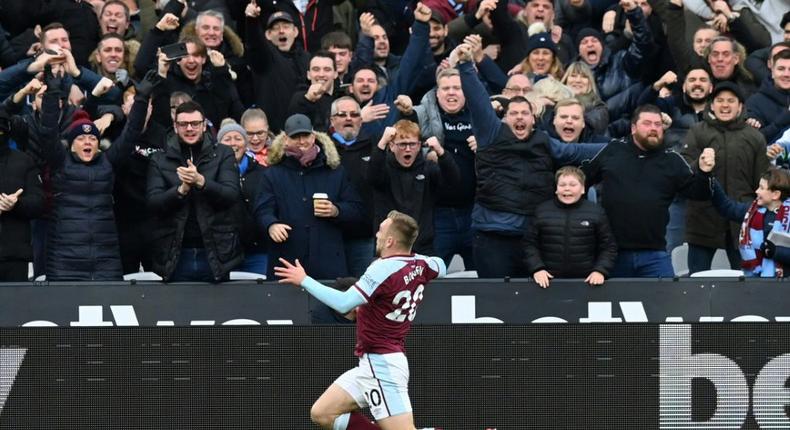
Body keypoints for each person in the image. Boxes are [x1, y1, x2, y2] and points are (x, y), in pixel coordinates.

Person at [274, 210, 447, 430]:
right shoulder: (422, 264)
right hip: (372, 363)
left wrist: (305, 280)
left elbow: (344, 304)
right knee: (323, 413)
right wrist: (414, 259)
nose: (376, 234)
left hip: (382, 365)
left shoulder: (381, 268)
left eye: (381, 230)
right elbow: (441, 266)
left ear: (391, 240)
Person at [40, 68, 156, 281]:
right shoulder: (60, 162)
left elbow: (130, 133)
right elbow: (47, 132)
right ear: (71, 145)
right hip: (65, 259)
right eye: (82, 139)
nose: (87, 142)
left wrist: (142, 98)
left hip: (105, 258)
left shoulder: (107, 162)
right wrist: (51, 94)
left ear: (98, 145)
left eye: (92, 139)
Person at [582, 104, 716, 277]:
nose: (653, 128)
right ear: (633, 128)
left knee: (666, 302)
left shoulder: (672, 160)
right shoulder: (613, 151)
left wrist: (705, 172)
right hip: (612, 253)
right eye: (647, 123)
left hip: (655, 255)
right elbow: (582, 180)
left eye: (658, 124)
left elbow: (699, 194)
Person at [254, 113, 365, 280]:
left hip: (328, 262)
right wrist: (271, 225)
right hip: (287, 261)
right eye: (295, 136)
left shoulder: (335, 170)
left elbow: (357, 209)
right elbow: (262, 210)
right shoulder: (272, 174)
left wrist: (336, 210)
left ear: (313, 136)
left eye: (305, 135)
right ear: (285, 139)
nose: (301, 141)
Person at [147, 100, 243, 282]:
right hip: (174, 252)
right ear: (175, 127)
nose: (189, 128)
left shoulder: (223, 153)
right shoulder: (159, 159)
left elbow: (231, 194)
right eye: (183, 124)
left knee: (218, 310)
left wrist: (201, 182)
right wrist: (180, 190)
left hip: (217, 251)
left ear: (204, 125)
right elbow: (153, 202)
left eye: (195, 124)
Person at [681, 81, 768, 274]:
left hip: (742, 221)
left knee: (747, 280)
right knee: (696, 279)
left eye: (731, 100)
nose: (725, 105)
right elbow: (684, 170)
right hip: (702, 218)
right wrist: (700, 165)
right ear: (711, 105)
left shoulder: (755, 137)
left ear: (740, 106)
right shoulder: (697, 131)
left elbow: (762, 181)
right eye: (720, 100)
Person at [370, 121, 461, 256]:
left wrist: (441, 153)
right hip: (390, 247)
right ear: (392, 146)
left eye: (412, 144)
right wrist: (382, 142)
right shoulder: (383, 167)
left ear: (419, 146)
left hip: (423, 246)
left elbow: (453, 182)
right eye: (402, 144)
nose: (408, 149)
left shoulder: (428, 168)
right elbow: (372, 176)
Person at [524, 166, 617, 288]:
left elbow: (608, 246)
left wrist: (600, 271)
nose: (567, 188)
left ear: (583, 188)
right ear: (556, 189)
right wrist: (537, 269)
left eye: (573, 185)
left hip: (587, 282)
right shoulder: (541, 211)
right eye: (562, 185)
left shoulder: (596, 212)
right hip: (548, 282)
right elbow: (529, 244)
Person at [710, 168, 790, 277]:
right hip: (754, 282)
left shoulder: (788, 217)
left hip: (783, 285)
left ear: (775, 194)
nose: (757, 191)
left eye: (762, 188)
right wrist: (710, 179)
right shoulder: (751, 211)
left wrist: (776, 251)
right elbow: (727, 208)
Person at [217, 120, 268, 275]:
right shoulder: (211, 173)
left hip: (257, 250)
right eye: (227, 139)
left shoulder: (264, 173)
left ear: (245, 144)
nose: (233, 143)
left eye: (238, 138)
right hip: (224, 252)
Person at [0, 107, 45, 281]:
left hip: (15, 256)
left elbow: (39, 203)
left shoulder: (23, 161)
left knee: (14, 308)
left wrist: (16, 204)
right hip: (16, 253)